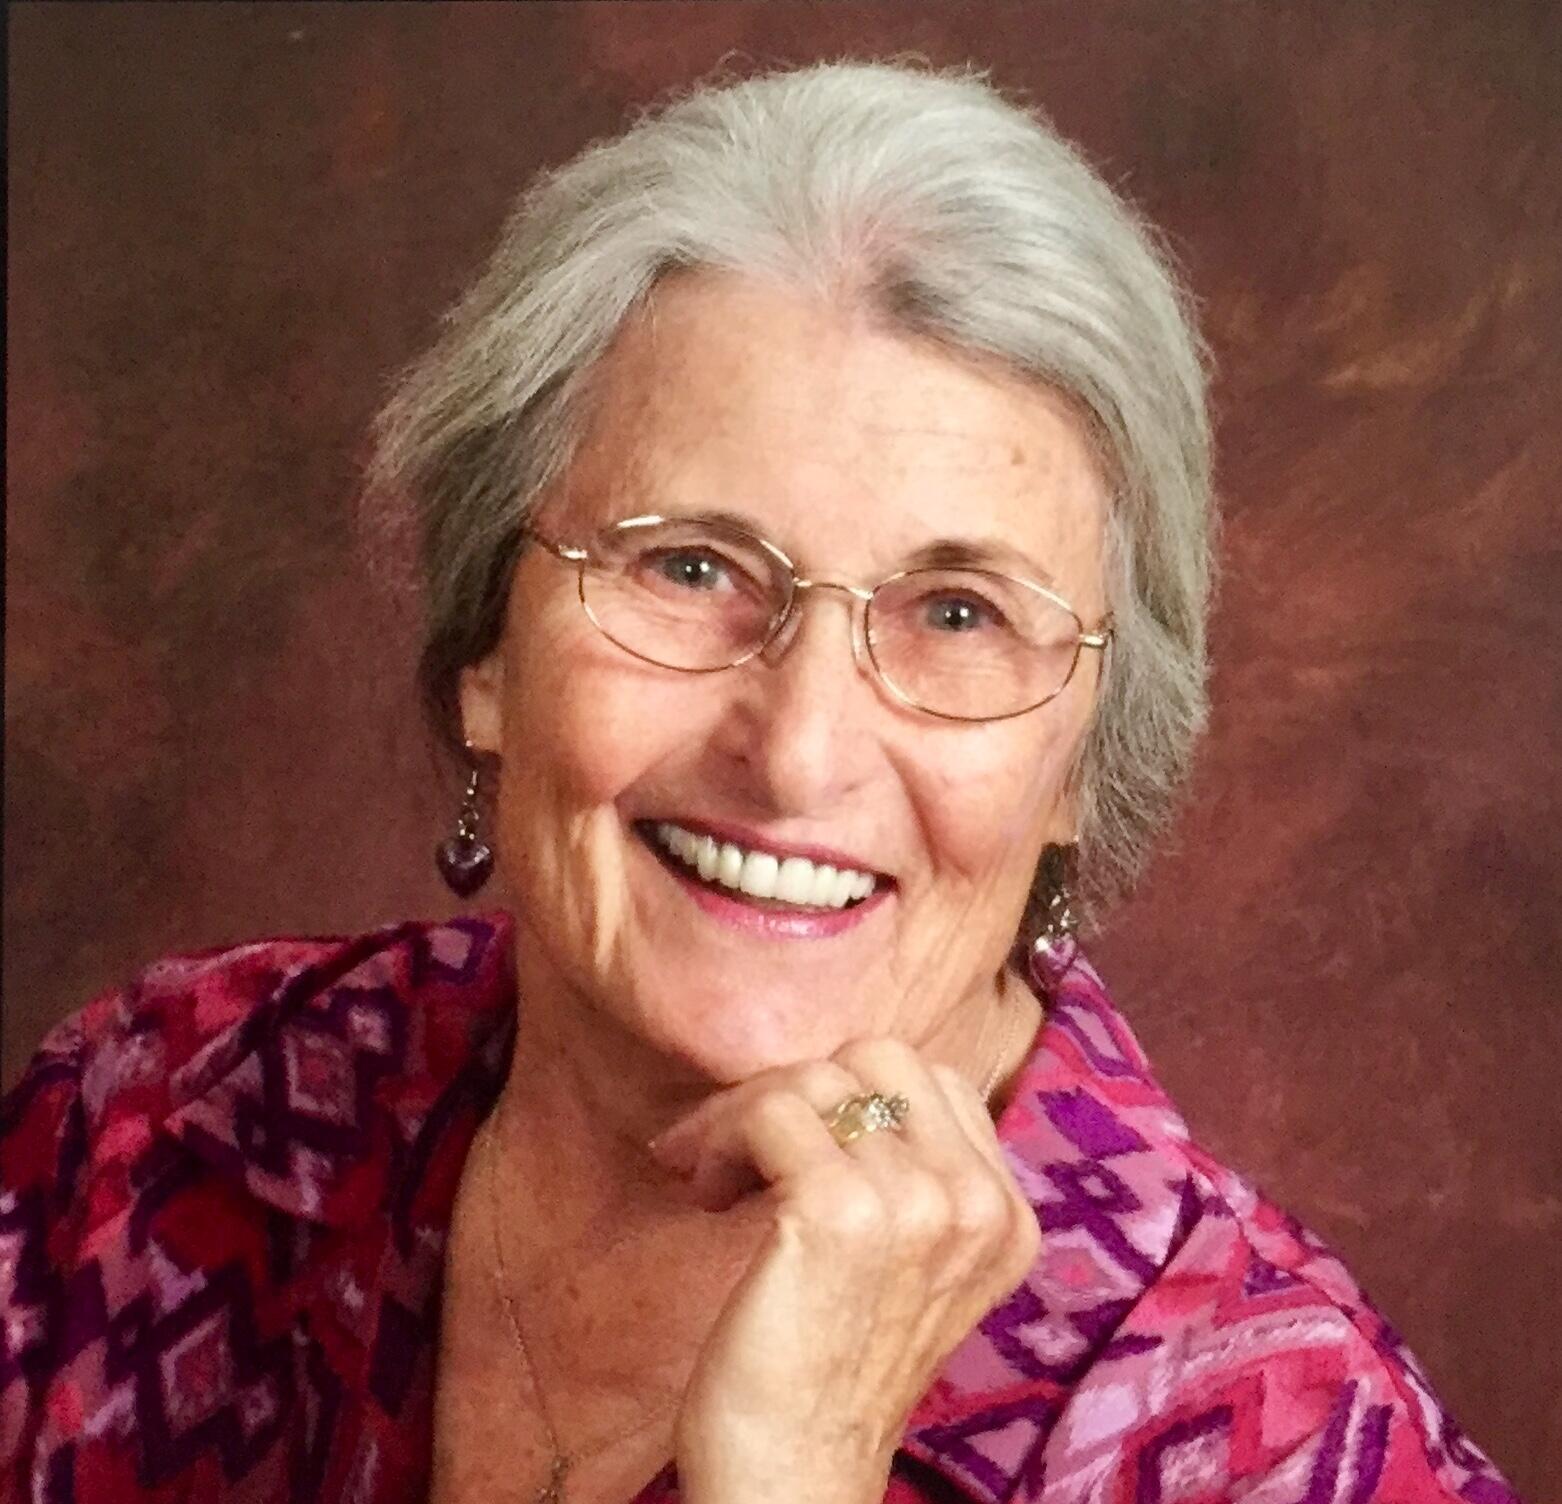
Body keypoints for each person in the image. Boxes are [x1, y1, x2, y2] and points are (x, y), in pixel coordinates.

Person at [0, 60, 1522, 1504]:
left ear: (1078, 764)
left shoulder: (1281, 1447)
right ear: (486, 651)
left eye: (957, 615)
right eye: (688, 567)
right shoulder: (156, 1124)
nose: (796, 752)